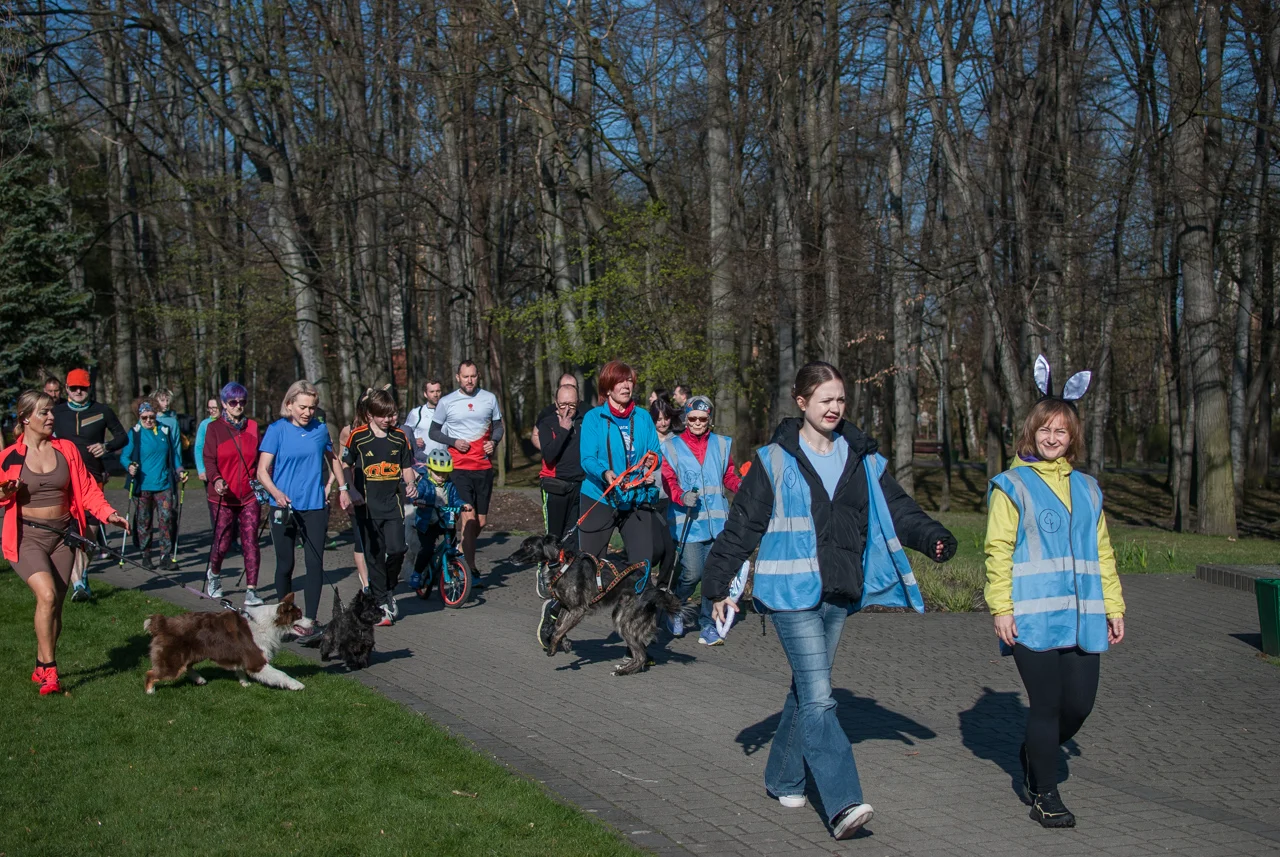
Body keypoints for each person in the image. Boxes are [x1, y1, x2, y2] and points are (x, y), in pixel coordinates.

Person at [703, 361, 956, 841]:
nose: (836, 408)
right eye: (826, 400)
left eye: (841, 399)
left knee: (806, 689)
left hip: (839, 592)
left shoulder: (862, 458)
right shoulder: (773, 460)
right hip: (789, 595)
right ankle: (842, 803)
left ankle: (782, 778)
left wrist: (934, 538)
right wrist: (716, 584)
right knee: (820, 695)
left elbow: (899, 509)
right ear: (802, 403)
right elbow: (742, 527)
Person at [983, 357, 1125, 829]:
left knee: (1078, 707)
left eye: (1060, 431)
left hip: (1084, 617)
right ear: (1031, 432)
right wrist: (1001, 608)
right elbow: (997, 551)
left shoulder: (1088, 489)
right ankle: (1045, 794)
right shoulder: (1012, 485)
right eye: (1044, 428)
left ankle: (1034, 753)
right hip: (1032, 618)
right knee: (1044, 706)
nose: (1051, 437)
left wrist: (1114, 606)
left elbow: (1101, 552)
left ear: (1072, 438)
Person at [0, 390, 128, 695]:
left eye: (51, 412)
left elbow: (87, 490)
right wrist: (6, 494)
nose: (50, 417)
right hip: (27, 536)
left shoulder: (66, 449)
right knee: (46, 596)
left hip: (63, 537)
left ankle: (40, 664)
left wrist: (109, 514)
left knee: (55, 605)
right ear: (26, 418)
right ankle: (51, 672)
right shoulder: (10, 456)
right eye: (44, 412)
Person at [257, 380, 350, 643]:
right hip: (283, 507)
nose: (308, 412)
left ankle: (309, 622)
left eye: (312, 407)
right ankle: (284, 620)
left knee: (314, 564)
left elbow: (333, 459)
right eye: (302, 407)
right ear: (289, 405)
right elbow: (262, 471)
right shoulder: (277, 430)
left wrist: (342, 488)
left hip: (314, 507)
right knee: (285, 565)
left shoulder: (320, 430)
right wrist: (276, 493)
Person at [661, 395, 742, 644]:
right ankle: (673, 607)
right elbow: (668, 479)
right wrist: (680, 495)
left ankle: (708, 624)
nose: (697, 422)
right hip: (688, 522)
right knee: (692, 573)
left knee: (711, 576)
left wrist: (743, 487)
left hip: (717, 523)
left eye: (702, 419)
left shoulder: (721, 444)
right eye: (692, 418)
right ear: (686, 419)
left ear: (710, 420)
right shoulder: (671, 446)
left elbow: (728, 476)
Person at [576, 360, 665, 567]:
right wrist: (605, 473)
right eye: (620, 381)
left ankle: (634, 598)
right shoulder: (593, 418)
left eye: (629, 381)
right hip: (600, 497)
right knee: (590, 564)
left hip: (636, 497)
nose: (626, 386)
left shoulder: (643, 417)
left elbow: (656, 452)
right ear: (607, 388)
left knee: (642, 563)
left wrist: (652, 461)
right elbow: (587, 458)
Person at [343, 388, 417, 626]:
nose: (387, 420)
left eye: (391, 415)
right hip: (367, 507)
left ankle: (386, 588)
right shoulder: (358, 437)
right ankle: (382, 601)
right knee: (374, 556)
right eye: (382, 415)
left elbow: (406, 466)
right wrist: (350, 489)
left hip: (392, 505)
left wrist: (411, 484)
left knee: (397, 549)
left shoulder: (399, 437)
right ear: (370, 415)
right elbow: (344, 464)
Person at [53, 368, 127, 601]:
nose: (77, 392)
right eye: (73, 388)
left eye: (82, 388)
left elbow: (123, 437)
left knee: (89, 535)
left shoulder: (102, 411)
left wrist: (106, 447)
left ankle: (82, 574)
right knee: (71, 533)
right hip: (64, 480)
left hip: (92, 479)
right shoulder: (56, 412)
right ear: (66, 389)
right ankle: (77, 584)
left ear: (89, 389)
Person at [429, 360, 504, 582]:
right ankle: (470, 569)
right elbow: (434, 431)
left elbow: (498, 426)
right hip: (459, 468)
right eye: (465, 376)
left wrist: (494, 441)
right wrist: (453, 441)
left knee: (480, 523)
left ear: (478, 376)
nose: (469, 380)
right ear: (457, 377)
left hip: (483, 467)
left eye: (473, 376)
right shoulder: (447, 401)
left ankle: (460, 551)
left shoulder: (489, 398)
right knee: (469, 518)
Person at [202, 382, 264, 605]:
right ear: (224, 404)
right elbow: (208, 459)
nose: (238, 406)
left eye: (242, 402)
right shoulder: (214, 428)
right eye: (233, 402)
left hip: (249, 495)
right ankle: (215, 575)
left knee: (250, 540)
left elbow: (261, 460)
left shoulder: (253, 427)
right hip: (223, 496)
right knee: (222, 541)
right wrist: (216, 479)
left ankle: (252, 590)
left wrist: (263, 482)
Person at [120, 400, 186, 569]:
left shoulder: (164, 430)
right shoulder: (135, 432)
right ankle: (146, 554)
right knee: (144, 522)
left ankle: (165, 556)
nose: (149, 420)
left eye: (151, 417)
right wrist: (130, 467)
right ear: (139, 417)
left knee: (166, 519)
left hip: (163, 484)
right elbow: (124, 456)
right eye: (145, 418)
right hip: (143, 486)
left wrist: (179, 470)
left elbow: (174, 456)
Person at [410, 448, 471, 595]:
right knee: (427, 550)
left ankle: (456, 566)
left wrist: (462, 504)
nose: (441, 477)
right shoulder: (425, 483)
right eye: (438, 473)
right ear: (430, 470)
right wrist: (418, 501)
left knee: (452, 544)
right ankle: (417, 574)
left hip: (445, 520)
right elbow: (417, 495)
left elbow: (455, 499)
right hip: (427, 523)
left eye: (444, 473)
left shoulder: (449, 484)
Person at [532, 373, 579, 452]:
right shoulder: (547, 412)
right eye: (564, 386)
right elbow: (535, 435)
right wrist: (550, 450)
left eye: (572, 387)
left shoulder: (587, 411)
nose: (568, 390)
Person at [403, 379, 446, 464]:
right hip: (423, 463)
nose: (435, 395)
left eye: (438, 391)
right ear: (425, 394)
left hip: (445, 462)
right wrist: (414, 441)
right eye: (432, 391)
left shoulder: (448, 412)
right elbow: (405, 434)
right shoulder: (416, 413)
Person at [193, 397, 221, 484]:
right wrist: (201, 469)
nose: (212, 411)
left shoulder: (227, 423)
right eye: (210, 408)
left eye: (214, 408)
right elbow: (198, 448)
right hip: (210, 469)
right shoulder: (204, 424)